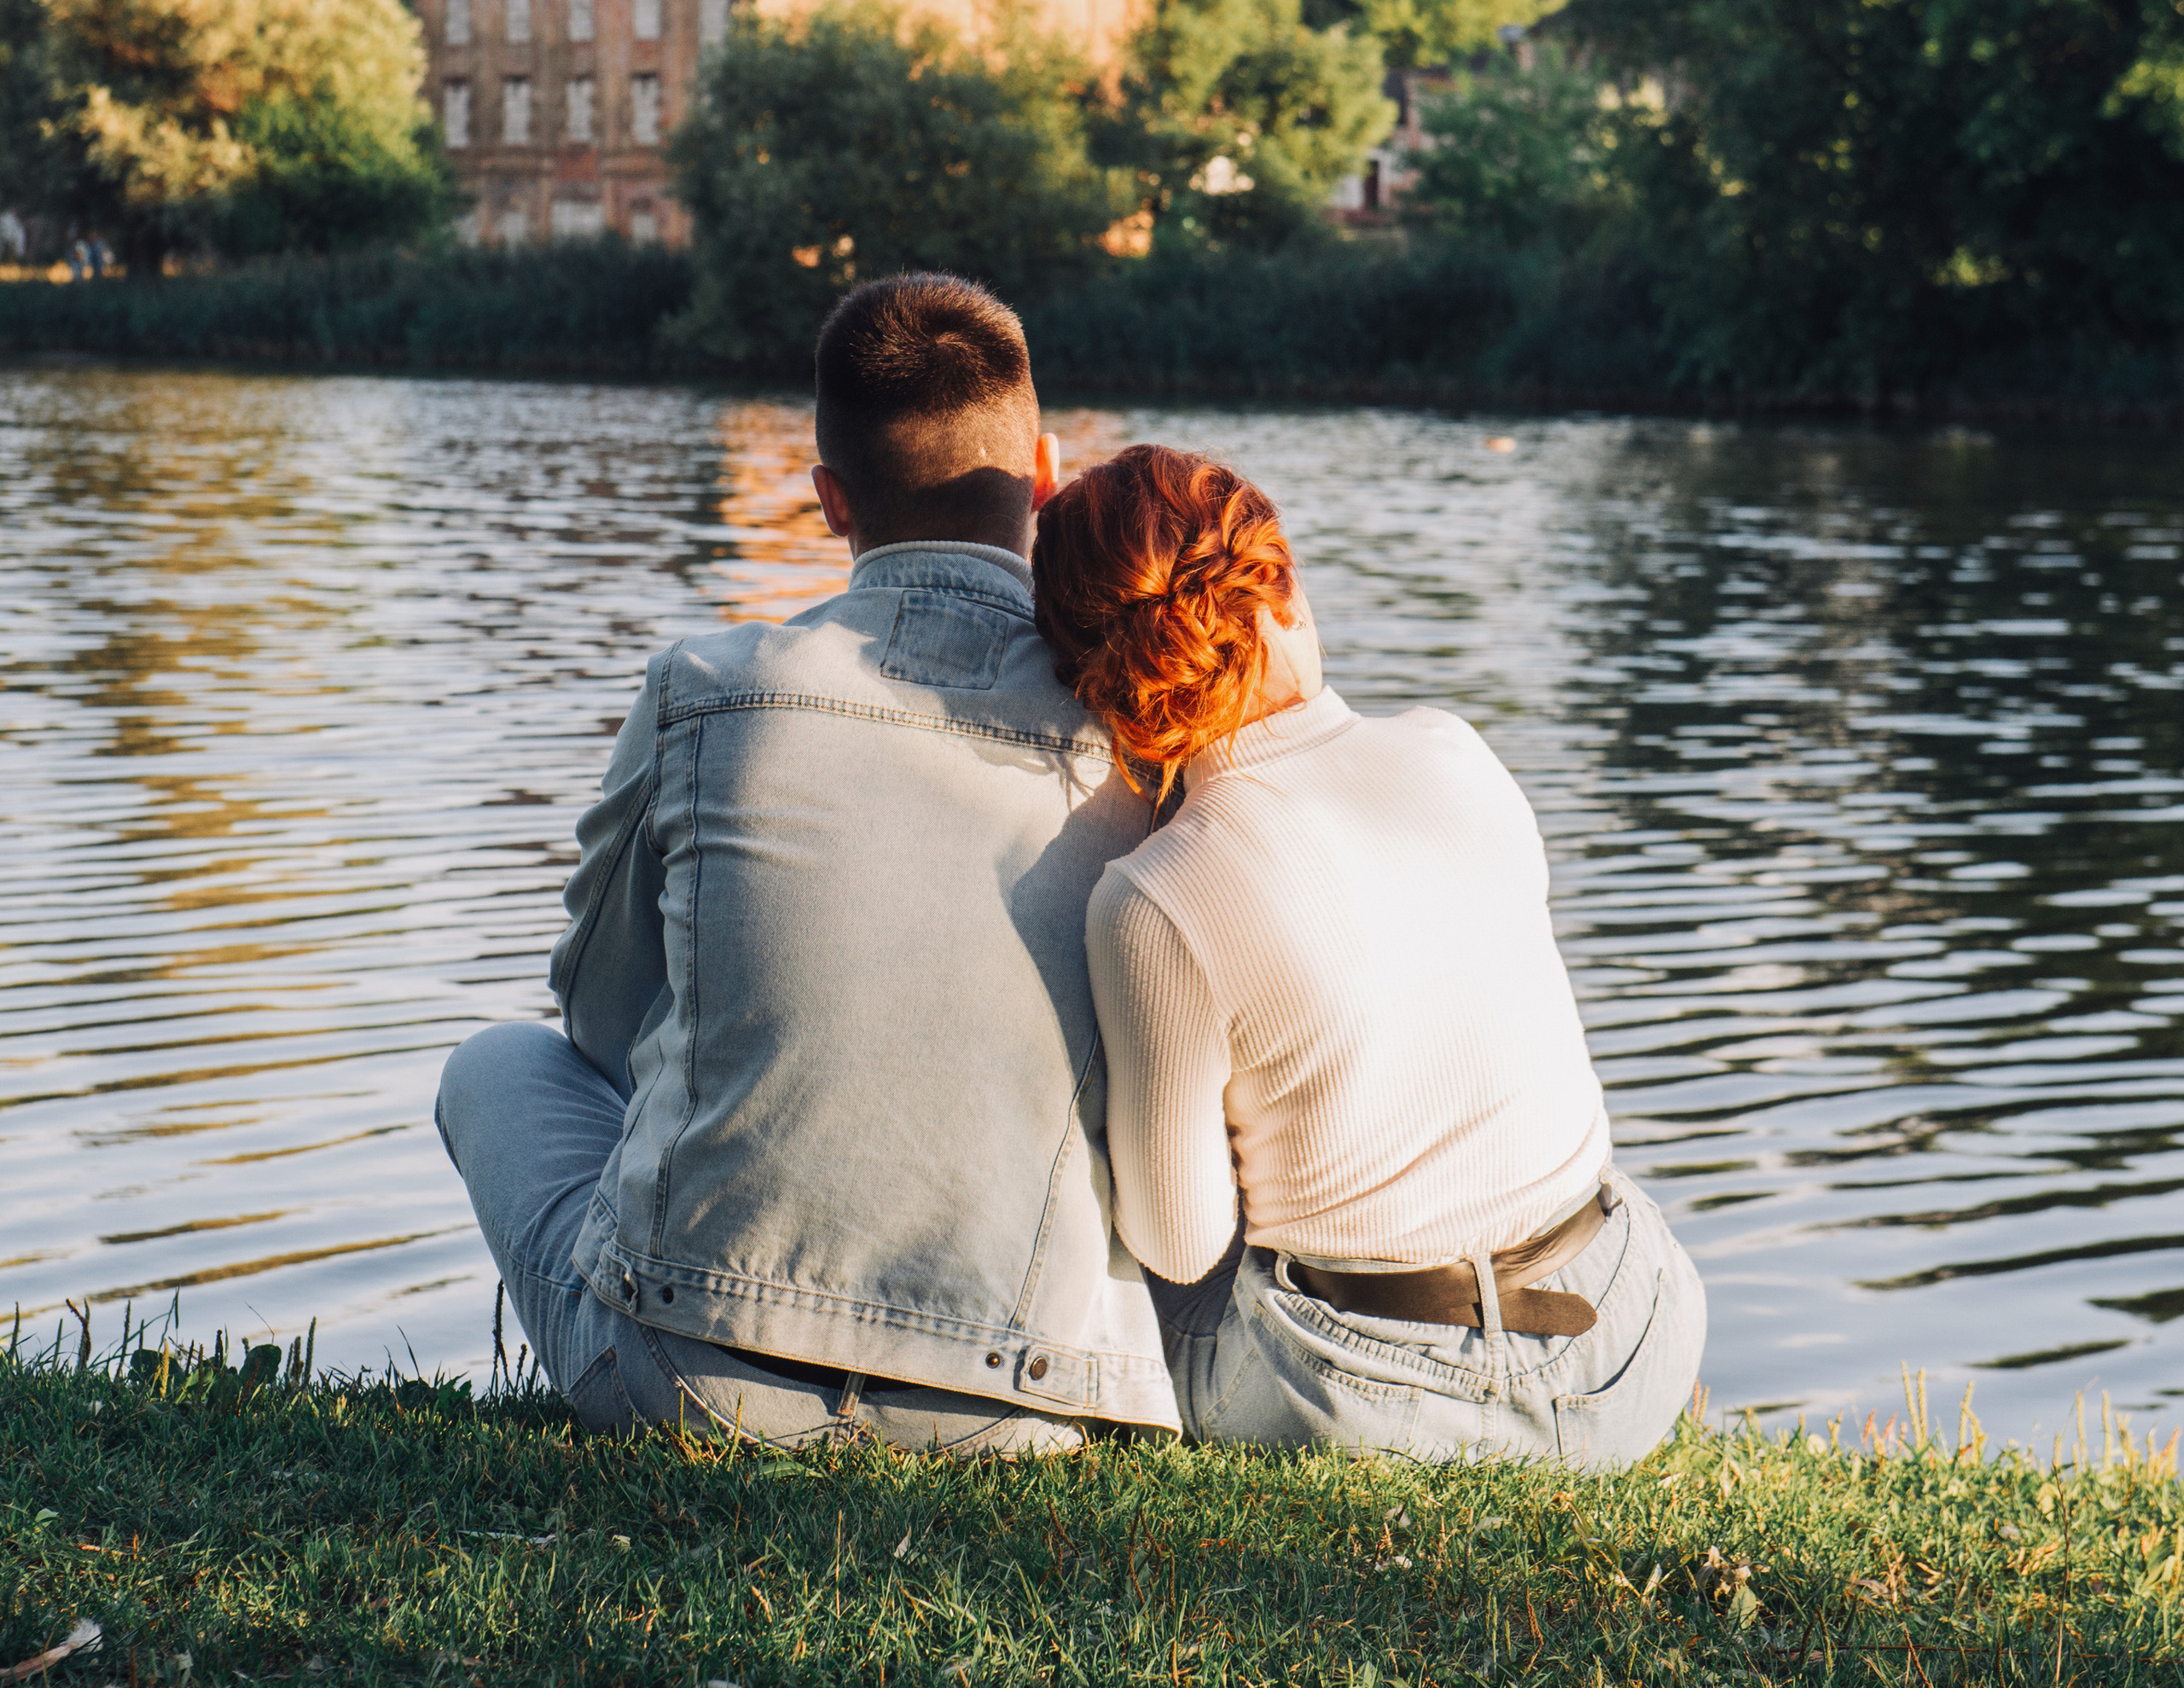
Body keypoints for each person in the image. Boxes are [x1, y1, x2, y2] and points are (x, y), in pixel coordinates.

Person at [437, 276, 1181, 1453]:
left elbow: (596, 1019)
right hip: (1026, 1405)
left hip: (689, 1377)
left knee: (498, 1065)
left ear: (829, 498)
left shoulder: (710, 689)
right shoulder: (1137, 722)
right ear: (1043, 474)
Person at [1031, 444, 1705, 1465]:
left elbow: (1178, 1244)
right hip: (1630, 1335)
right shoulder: (1452, 747)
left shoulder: (1153, 896)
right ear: (1283, 590)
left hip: (1385, 1405)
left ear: (1094, 687)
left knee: (1139, 1291)